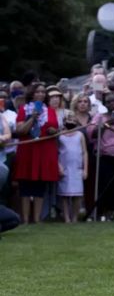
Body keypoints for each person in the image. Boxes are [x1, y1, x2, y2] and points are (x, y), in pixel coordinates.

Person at [12, 83, 60, 224]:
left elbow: (55, 129)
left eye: (43, 92)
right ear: (32, 94)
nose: (41, 94)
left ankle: (37, 219)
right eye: (38, 92)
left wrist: (53, 131)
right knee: (25, 185)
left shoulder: (50, 111)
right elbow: (21, 131)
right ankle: (26, 220)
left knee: (40, 185)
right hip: (28, 150)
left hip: (44, 150)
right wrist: (32, 117)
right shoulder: (23, 110)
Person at [57, 115, 88, 223]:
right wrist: (58, 166)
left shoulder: (80, 135)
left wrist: (85, 169)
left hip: (77, 168)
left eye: (73, 120)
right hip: (64, 168)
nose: (71, 122)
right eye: (68, 120)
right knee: (64, 194)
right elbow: (56, 152)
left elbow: (84, 152)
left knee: (77, 195)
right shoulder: (60, 135)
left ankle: (75, 217)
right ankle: (66, 217)